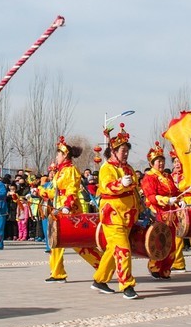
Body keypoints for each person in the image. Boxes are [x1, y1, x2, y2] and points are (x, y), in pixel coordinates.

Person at [144, 142, 191, 279]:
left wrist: (180, 199)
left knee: (172, 243)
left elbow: (175, 191)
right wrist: (166, 200)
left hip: (173, 214)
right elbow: (151, 196)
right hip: (159, 213)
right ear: (152, 163)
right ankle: (155, 267)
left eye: (162, 161)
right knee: (160, 242)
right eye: (158, 161)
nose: (161, 163)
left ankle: (166, 269)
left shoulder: (167, 177)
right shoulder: (149, 177)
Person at [92, 124, 140, 299]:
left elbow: (135, 188)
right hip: (113, 216)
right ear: (113, 151)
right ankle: (127, 285)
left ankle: (100, 279)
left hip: (128, 216)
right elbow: (106, 187)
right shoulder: (107, 168)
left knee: (113, 249)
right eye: (122, 150)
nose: (125, 153)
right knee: (123, 249)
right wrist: (121, 184)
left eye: (127, 150)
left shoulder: (129, 168)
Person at [46, 137, 101, 282]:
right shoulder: (60, 171)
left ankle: (104, 265)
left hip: (69, 210)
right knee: (57, 242)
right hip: (59, 209)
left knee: (80, 244)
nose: (56, 157)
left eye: (58, 154)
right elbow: (56, 192)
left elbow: (71, 191)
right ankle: (57, 273)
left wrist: (67, 206)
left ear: (65, 155)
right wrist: (41, 192)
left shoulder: (70, 170)